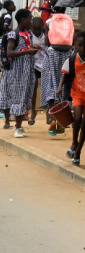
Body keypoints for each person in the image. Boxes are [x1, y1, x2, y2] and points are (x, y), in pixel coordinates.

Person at [0, 9, 39, 136]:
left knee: (25, 96)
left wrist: (34, 49)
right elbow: (10, 52)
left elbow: (27, 49)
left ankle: (19, 126)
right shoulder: (13, 35)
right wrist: (28, 52)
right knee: (18, 97)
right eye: (30, 19)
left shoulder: (29, 34)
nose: (31, 21)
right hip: (18, 72)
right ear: (22, 20)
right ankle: (17, 127)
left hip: (28, 71)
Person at [57, 31, 85, 164]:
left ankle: (78, 150)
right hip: (78, 93)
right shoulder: (72, 59)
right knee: (78, 118)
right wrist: (60, 87)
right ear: (75, 45)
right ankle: (74, 142)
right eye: (80, 45)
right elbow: (65, 75)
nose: (83, 48)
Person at [30, 17, 48, 125]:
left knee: (46, 89)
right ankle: (33, 111)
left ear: (42, 27)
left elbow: (49, 47)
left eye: (38, 30)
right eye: (34, 30)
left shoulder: (46, 35)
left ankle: (48, 113)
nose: (37, 32)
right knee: (33, 87)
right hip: (35, 64)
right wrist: (33, 48)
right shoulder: (29, 35)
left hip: (45, 64)